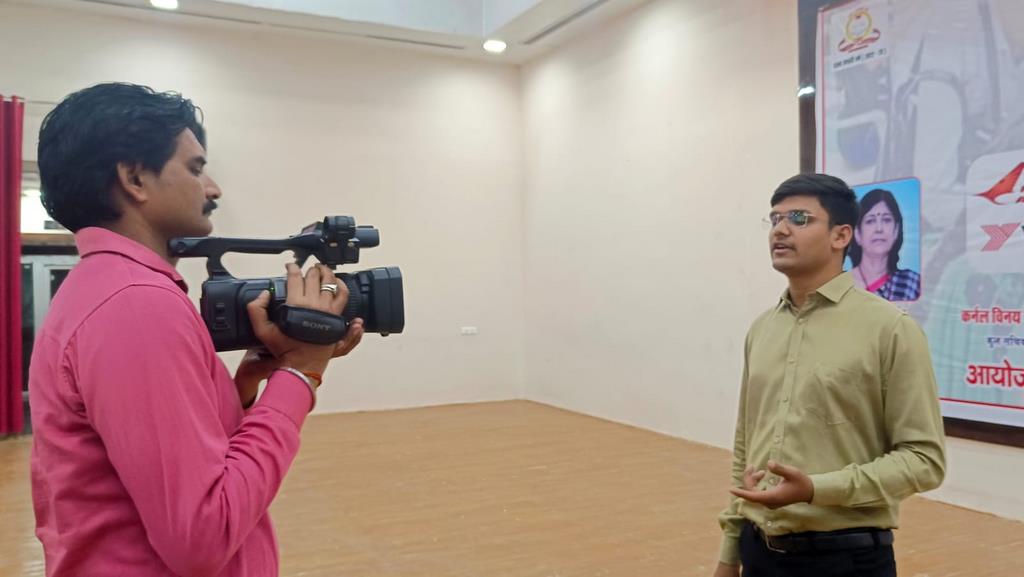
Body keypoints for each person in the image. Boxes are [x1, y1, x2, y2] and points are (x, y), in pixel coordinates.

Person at [29, 82, 365, 576]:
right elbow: (202, 536)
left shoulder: (108, 288)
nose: (212, 189)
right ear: (134, 178)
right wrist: (301, 374)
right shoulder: (134, 305)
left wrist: (243, 389)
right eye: (195, 168)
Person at [712, 173, 946, 577]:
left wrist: (816, 489)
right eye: (775, 218)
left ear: (841, 236)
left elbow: (924, 461)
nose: (780, 229)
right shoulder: (762, 329)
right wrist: (730, 552)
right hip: (759, 553)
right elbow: (745, 446)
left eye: (799, 218)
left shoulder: (890, 330)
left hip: (844, 560)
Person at [848, 188, 921, 301]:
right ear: (857, 234)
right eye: (870, 221)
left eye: (886, 220)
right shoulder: (842, 285)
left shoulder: (912, 283)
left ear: (896, 230)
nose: (879, 229)